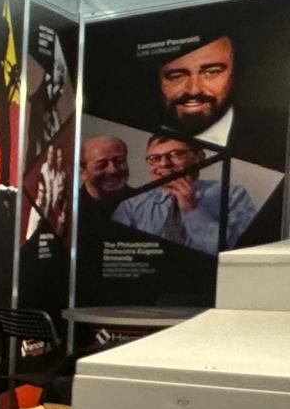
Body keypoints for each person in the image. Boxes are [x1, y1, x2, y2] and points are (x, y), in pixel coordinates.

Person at [153, 33, 284, 168]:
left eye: (212, 72)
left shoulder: (280, 133)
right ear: (157, 80)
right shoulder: (140, 131)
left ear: (234, 72)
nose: (194, 90)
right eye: (176, 76)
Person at [113, 133, 256, 252]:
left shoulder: (232, 194)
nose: (164, 164)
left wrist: (192, 209)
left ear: (200, 157)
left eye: (176, 154)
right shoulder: (130, 205)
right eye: (154, 158)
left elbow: (239, 253)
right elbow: (120, 255)